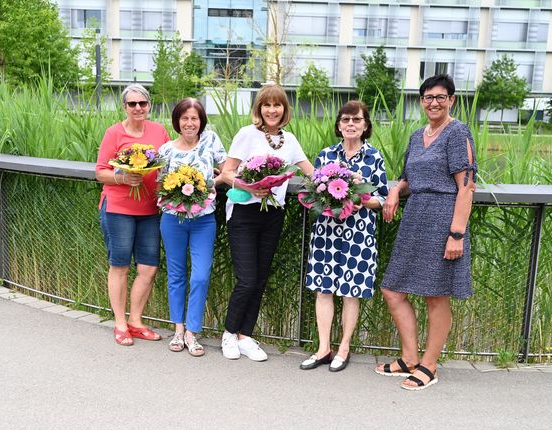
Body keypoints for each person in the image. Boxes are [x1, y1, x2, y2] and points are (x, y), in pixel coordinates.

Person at [377, 74, 477, 390]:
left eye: (440, 97)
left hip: (443, 219)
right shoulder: (417, 134)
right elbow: (407, 177)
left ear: (451, 100)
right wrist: (394, 191)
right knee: (392, 290)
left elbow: (467, 186)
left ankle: (429, 365)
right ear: (422, 101)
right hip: (415, 218)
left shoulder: (458, 132)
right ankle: (409, 358)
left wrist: (457, 233)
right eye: (428, 97)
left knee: (436, 296)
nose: (433, 102)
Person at [220, 83, 314, 361]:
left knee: (260, 279)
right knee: (247, 279)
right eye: (267, 105)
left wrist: (341, 182)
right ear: (259, 108)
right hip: (244, 213)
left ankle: (245, 336)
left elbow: (311, 172)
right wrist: (250, 187)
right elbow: (227, 173)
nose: (272, 110)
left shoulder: (290, 140)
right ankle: (228, 333)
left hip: (273, 213)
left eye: (277, 105)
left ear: (284, 109)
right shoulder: (247, 134)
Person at [300, 100, 388, 372]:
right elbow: (313, 191)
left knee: (351, 292)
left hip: (358, 233)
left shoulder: (374, 157)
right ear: (339, 125)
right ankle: (323, 347)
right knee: (323, 289)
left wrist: (363, 201)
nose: (351, 124)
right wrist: (323, 199)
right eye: (346, 120)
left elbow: (382, 197)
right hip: (327, 231)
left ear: (365, 126)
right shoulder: (326, 156)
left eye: (357, 120)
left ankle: (344, 347)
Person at [95, 84, 170, 346]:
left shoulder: (159, 131)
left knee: (148, 267)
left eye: (142, 103)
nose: (138, 108)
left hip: (150, 209)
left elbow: (168, 164)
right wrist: (122, 176)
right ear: (124, 107)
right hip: (118, 209)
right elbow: (101, 171)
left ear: (149, 105)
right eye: (132, 104)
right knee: (120, 265)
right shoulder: (114, 133)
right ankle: (119, 323)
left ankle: (136, 321)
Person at [158, 98, 226, 357]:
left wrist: (213, 183)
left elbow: (228, 168)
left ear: (201, 121)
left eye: (194, 118)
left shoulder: (211, 141)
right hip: (172, 220)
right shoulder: (166, 150)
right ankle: (178, 329)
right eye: (184, 118)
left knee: (200, 275)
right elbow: (160, 184)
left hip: (203, 221)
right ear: (177, 121)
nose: (189, 123)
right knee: (176, 275)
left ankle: (192, 332)